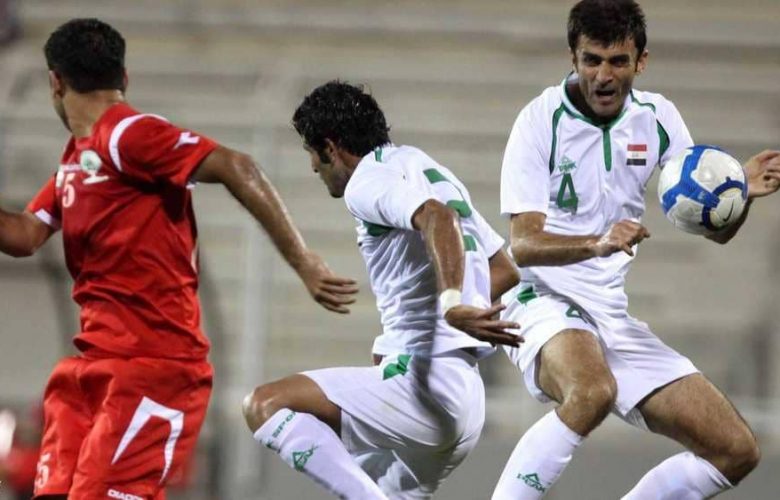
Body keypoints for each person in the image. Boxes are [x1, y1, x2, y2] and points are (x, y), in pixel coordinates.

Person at [0, 18, 357, 499]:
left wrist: (303, 260)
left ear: (55, 82)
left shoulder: (127, 135)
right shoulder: (79, 157)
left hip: (150, 366)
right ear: (123, 76)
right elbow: (24, 235)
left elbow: (236, 165)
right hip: (94, 366)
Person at [492, 1, 780, 498]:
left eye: (617, 62)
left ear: (641, 62)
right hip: (539, 299)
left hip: (609, 314)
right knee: (592, 391)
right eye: (591, 60)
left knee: (736, 450)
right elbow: (524, 244)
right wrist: (598, 243)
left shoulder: (658, 118)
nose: (603, 76)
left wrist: (735, 194)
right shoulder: (540, 122)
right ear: (573, 57)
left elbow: (717, 232)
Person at [242, 81, 523, 499]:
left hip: (422, 385)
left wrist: (451, 306)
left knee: (265, 405)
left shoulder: (366, 182)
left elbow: (438, 218)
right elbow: (503, 268)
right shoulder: (423, 166)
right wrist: (445, 316)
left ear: (330, 147)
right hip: (463, 398)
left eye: (311, 153)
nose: (313, 167)